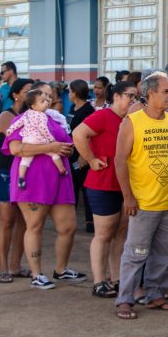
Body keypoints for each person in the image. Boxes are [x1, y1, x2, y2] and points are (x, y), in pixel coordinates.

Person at [114, 72, 168, 319]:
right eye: (166, 91)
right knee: (136, 253)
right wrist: (128, 197)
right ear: (151, 93)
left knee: (166, 252)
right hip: (144, 202)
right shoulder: (132, 122)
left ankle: (156, 294)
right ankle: (125, 299)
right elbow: (120, 161)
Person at [3, 86, 84, 290]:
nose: (48, 98)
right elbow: (15, 149)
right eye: (44, 95)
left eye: (50, 95)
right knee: (35, 225)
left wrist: (66, 148)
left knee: (68, 226)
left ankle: (61, 269)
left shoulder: (55, 118)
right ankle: (36, 274)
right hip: (33, 178)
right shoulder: (23, 118)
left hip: (59, 176)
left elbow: (65, 141)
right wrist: (51, 147)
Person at [73, 81, 137, 298]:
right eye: (129, 95)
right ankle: (99, 281)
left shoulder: (131, 120)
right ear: (116, 96)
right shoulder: (103, 116)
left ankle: (117, 278)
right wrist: (90, 159)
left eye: (135, 96)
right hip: (103, 183)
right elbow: (78, 134)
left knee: (121, 232)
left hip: (126, 185)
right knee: (104, 233)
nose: (133, 100)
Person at [0, 78, 34, 283]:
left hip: (24, 172)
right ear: (16, 94)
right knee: (7, 220)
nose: (32, 94)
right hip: (6, 171)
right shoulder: (6, 115)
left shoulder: (33, 115)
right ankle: (3, 267)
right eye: (28, 91)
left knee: (23, 221)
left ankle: (16, 266)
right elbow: (20, 143)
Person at [8, 88, 69, 187]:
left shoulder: (26, 113)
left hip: (27, 139)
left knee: (25, 160)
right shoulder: (42, 115)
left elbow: (18, 123)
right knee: (54, 154)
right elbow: (43, 129)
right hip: (39, 139)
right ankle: (62, 169)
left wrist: (10, 130)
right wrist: (51, 140)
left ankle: (21, 177)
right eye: (43, 101)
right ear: (34, 105)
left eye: (48, 99)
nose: (47, 102)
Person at [67, 79, 96, 231]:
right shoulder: (73, 108)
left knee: (86, 189)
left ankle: (90, 221)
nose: (68, 94)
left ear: (76, 93)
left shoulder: (88, 111)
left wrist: (84, 155)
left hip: (82, 155)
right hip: (71, 154)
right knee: (72, 188)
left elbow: (92, 135)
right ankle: (69, 220)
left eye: (70, 91)